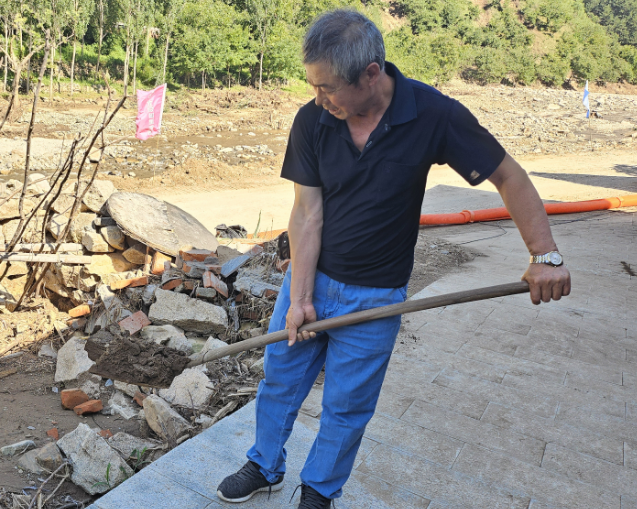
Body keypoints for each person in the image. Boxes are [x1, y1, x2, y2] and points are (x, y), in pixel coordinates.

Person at [215, 8, 571, 509]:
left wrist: (545, 256)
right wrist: (299, 297)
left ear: (370, 74)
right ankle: (264, 464)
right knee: (280, 381)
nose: (318, 99)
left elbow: (508, 176)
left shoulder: (433, 115)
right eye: (313, 86)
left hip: (376, 296)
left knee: (347, 406)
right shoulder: (313, 119)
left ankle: (318, 491)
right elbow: (307, 214)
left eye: (328, 88)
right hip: (312, 279)